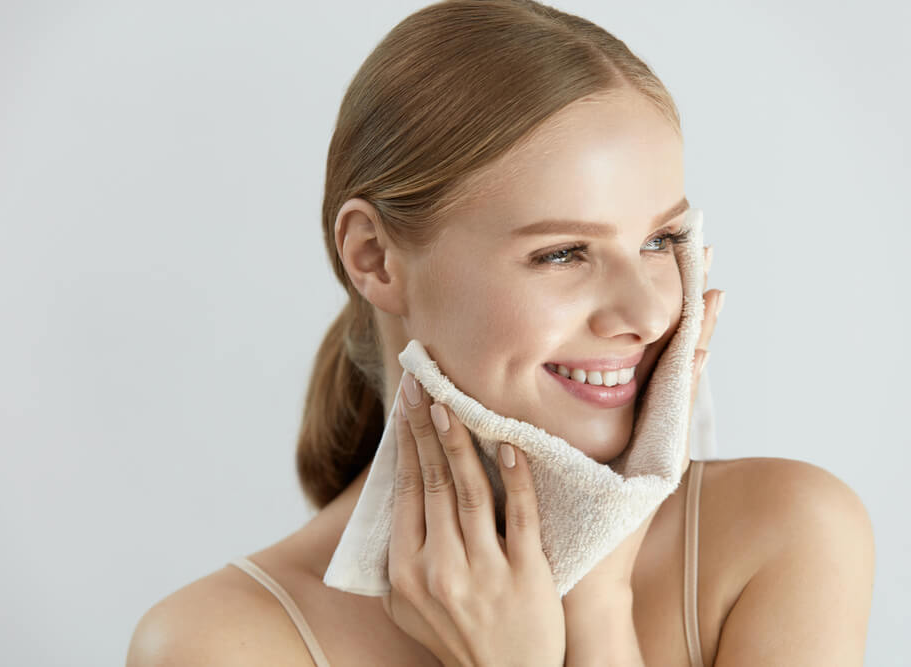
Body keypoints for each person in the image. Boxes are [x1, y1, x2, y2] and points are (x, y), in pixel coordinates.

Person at [126, 1, 874, 664]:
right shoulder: (221, 643)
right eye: (561, 253)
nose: (647, 315)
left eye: (658, 241)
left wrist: (600, 612)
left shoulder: (786, 537)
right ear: (374, 257)